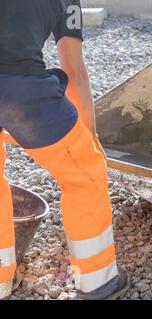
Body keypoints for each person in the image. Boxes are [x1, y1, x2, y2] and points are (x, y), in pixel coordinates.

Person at [0, 0, 130, 300]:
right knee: (85, 175)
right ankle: (99, 283)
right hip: (23, 93)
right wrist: (90, 141)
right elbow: (74, 71)